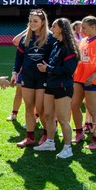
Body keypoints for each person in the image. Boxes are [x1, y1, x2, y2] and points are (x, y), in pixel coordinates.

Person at [34, 18, 80, 158]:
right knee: (48, 115)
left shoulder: (69, 47)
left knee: (62, 119)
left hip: (62, 86)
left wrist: (48, 68)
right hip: (51, 84)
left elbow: (68, 70)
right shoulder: (56, 44)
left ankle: (67, 148)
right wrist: (47, 68)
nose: (51, 29)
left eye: (53, 27)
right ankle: (50, 142)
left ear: (61, 28)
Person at [12, 9, 55, 147]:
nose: (32, 24)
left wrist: (49, 68)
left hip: (43, 78)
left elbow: (55, 58)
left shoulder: (51, 38)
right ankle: (30, 137)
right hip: (28, 77)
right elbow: (19, 59)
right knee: (29, 107)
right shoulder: (25, 39)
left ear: (43, 22)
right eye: (30, 21)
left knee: (41, 109)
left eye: (35, 21)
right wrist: (15, 72)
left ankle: (47, 134)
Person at [70, 16, 96, 149]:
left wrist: (92, 77)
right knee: (74, 106)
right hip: (79, 79)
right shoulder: (84, 41)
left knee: (92, 109)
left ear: (94, 27)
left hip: (93, 81)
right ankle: (79, 133)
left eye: (84, 27)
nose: (81, 30)